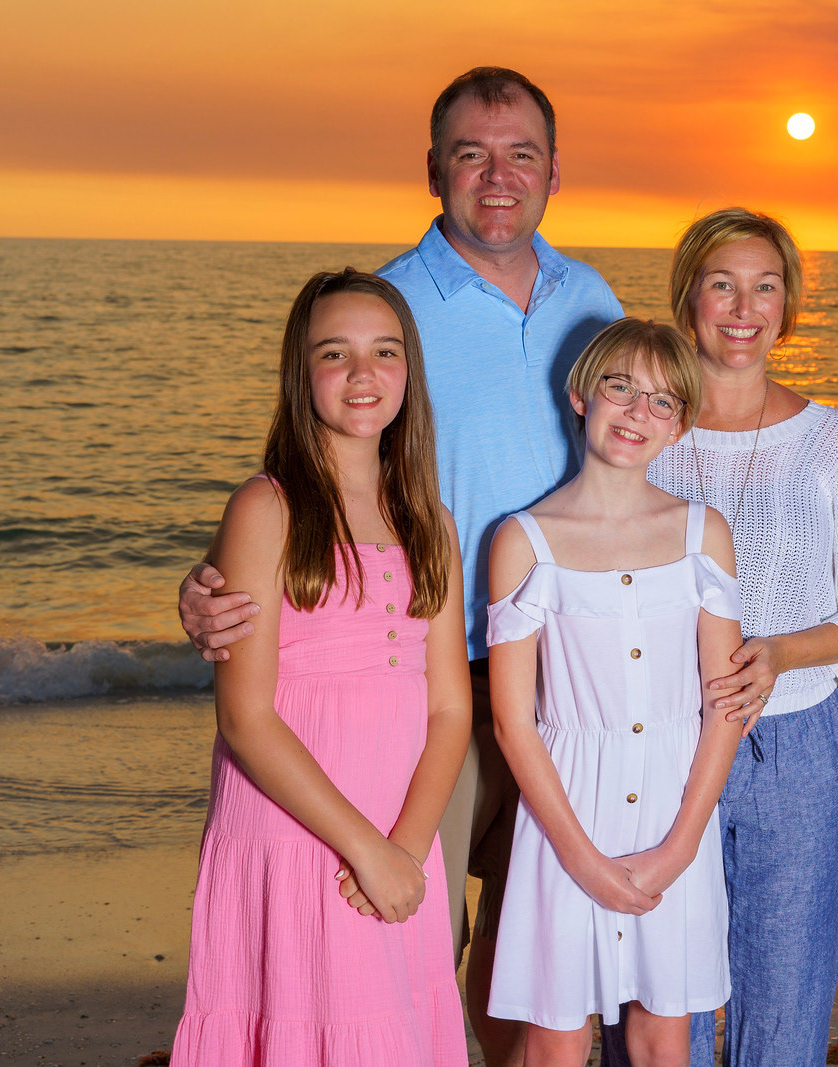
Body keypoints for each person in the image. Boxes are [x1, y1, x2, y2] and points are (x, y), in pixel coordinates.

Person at [177, 68, 623, 1066]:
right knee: (399, 926)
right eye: (471, 154)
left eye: (520, 155)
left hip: (563, 676)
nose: (497, 177)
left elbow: (639, 455)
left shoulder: (591, 298)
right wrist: (203, 587)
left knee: (541, 950)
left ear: (555, 170)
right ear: (433, 170)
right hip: (435, 677)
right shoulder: (393, 304)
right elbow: (301, 497)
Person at [603, 208, 838, 1066]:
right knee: (659, 995)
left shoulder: (833, 444)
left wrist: (777, 652)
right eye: (723, 284)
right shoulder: (643, 430)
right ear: (688, 297)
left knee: (787, 988)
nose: (744, 307)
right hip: (660, 742)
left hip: (799, 747)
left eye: (765, 286)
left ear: (789, 304)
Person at [170, 269, 469, 1065]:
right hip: (299, 830)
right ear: (301, 377)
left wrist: (404, 848)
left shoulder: (431, 522)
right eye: (334, 353)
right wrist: (363, 850)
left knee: (393, 1033)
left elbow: (448, 710)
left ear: (411, 371)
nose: (363, 374)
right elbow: (246, 716)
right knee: (313, 1030)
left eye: (385, 352)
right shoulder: (266, 509)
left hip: (400, 831)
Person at [485, 318, 745, 1067]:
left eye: (662, 402)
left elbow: (723, 704)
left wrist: (682, 844)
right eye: (620, 387)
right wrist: (583, 857)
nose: (637, 412)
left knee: (666, 1031)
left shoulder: (703, 533)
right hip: (566, 814)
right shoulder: (524, 540)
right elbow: (513, 721)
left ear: (681, 426)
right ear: (580, 395)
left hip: (675, 804)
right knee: (556, 1036)